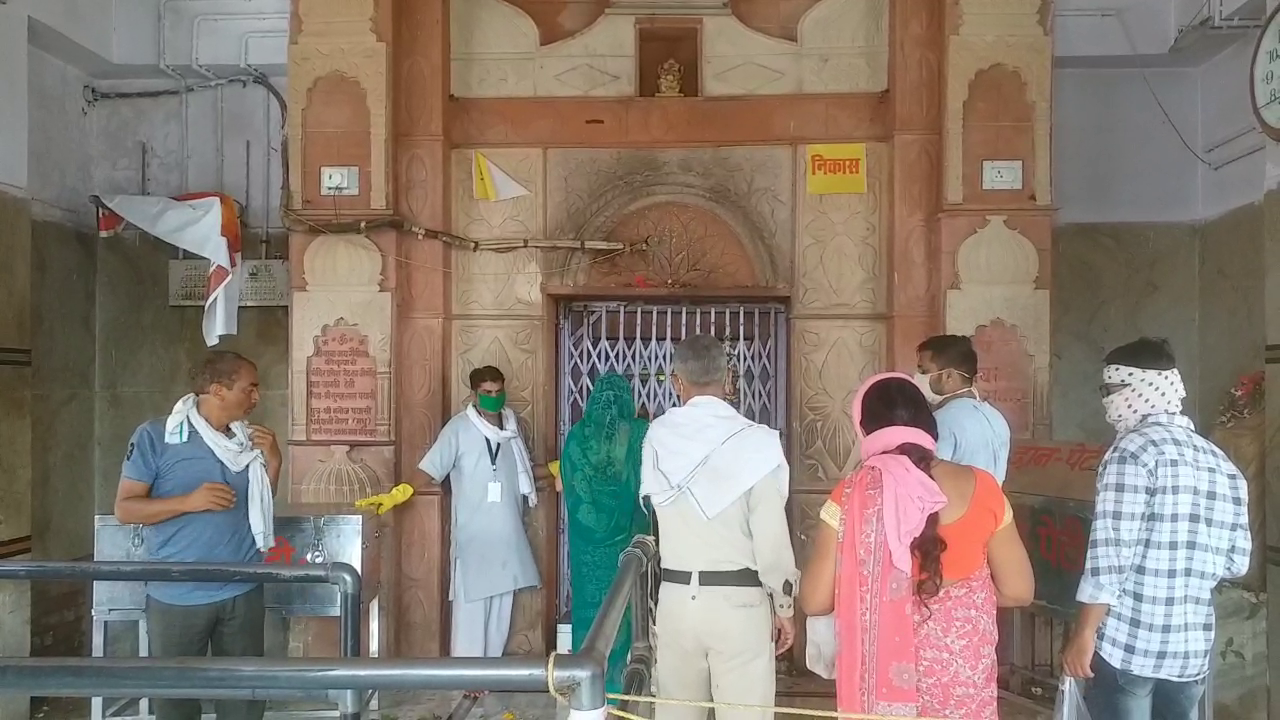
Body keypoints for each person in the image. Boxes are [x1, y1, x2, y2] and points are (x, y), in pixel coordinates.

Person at [798, 372, 1033, 720]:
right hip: (960, 681)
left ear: (863, 429)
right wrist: (957, 596)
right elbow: (1019, 591)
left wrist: (882, 597)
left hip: (880, 685)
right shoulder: (983, 487)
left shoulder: (849, 496)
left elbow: (814, 601)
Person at [1061, 338, 1252, 720]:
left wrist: (1083, 635)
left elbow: (1110, 557)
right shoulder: (1219, 461)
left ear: (1143, 387)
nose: (1106, 401)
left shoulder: (1131, 451)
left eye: (1111, 390)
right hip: (1189, 649)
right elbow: (1236, 563)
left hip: (1128, 644)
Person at [114, 351, 282, 720]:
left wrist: (273, 463)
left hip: (242, 586)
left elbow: (259, 505)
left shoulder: (248, 440)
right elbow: (125, 509)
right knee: (175, 699)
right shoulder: (157, 436)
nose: (257, 398)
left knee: (245, 696)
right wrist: (189, 502)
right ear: (217, 390)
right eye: (249, 389)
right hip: (177, 592)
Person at [639, 334, 798, 720]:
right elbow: (771, 537)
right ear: (729, 379)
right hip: (739, 605)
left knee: (677, 714)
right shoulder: (756, 444)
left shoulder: (658, 438)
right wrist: (784, 604)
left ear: (677, 382)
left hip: (677, 602)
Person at [417, 365, 554, 674]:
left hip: (507, 535)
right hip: (473, 537)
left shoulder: (511, 427)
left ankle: (488, 674)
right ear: (474, 394)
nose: (493, 398)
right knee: (471, 609)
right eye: (486, 393)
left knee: (501, 609)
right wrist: (399, 492)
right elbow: (430, 469)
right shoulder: (459, 428)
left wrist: (560, 468)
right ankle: (466, 676)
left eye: (497, 392)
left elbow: (524, 471)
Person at [561, 373, 651, 696]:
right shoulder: (638, 433)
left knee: (590, 613)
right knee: (621, 613)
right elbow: (645, 490)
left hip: (586, 553)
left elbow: (573, 491)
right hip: (623, 547)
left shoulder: (575, 438)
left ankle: (584, 689)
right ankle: (615, 690)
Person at [916, 334, 1011, 483]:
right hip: (994, 505)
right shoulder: (996, 417)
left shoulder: (941, 421)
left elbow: (928, 483)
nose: (917, 377)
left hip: (959, 506)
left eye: (924, 371)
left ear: (948, 376)